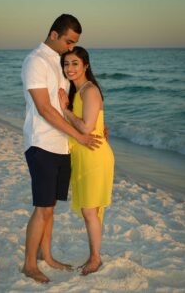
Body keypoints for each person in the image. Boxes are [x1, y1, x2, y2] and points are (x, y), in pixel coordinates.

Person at [21, 14, 101, 283]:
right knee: (42, 207)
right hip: (41, 143)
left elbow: (69, 105)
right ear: (53, 34)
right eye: (68, 41)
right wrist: (79, 136)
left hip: (61, 146)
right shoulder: (35, 61)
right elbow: (44, 109)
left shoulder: (58, 62)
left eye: (75, 44)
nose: (70, 48)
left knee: (50, 206)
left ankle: (47, 256)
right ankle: (29, 264)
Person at [59, 46, 115, 275]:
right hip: (84, 155)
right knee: (89, 210)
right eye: (66, 64)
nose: (69, 68)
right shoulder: (77, 90)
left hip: (94, 155)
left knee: (91, 210)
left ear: (86, 66)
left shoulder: (89, 90)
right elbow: (96, 123)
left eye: (74, 63)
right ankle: (94, 255)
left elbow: (85, 127)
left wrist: (66, 110)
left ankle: (95, 259)